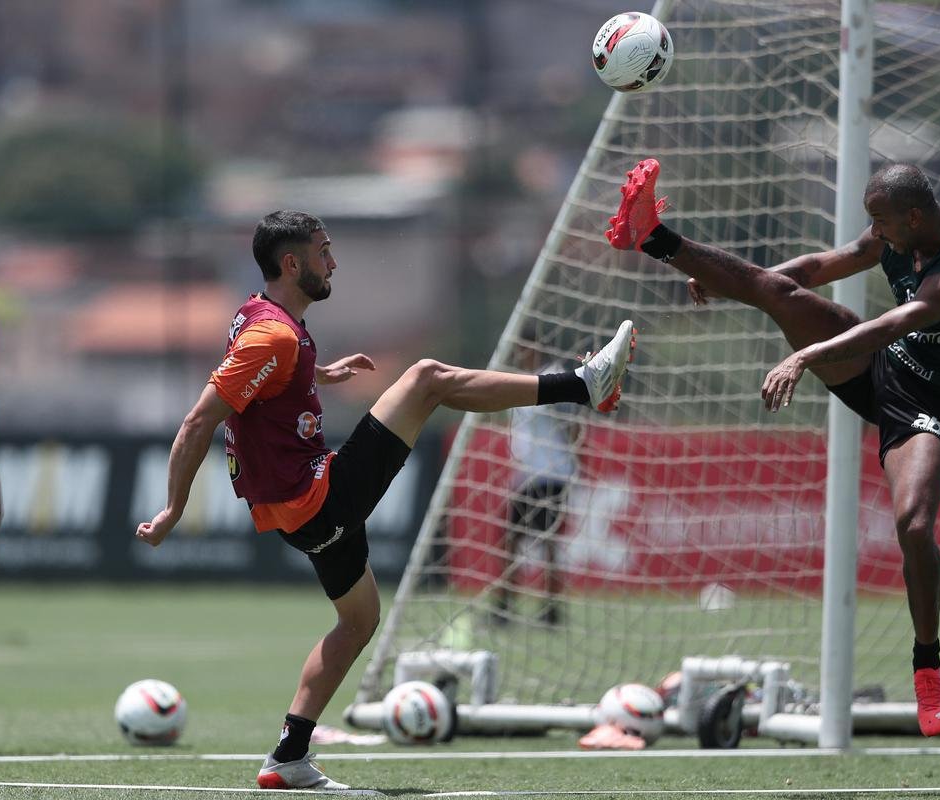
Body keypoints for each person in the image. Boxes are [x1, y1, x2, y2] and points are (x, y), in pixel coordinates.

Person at [135, 210, 636, 791]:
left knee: (359, 620)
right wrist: (173, 509)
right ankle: (582, 384)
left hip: (301, 512)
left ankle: (289, 755)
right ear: (292, 263)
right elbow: (198, 421)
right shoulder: (269, 334)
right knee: (427, 379)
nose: (334, 261)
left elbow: (264, 377)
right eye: (324, 251)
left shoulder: (261, 319)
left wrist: (315, 372)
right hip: (316, 498)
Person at [605, 159, 940, 737]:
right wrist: (740, 282)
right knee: (778, 291)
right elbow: (824, 265)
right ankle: (652, 237)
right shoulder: (896, 227)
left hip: (928, 403)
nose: (876, 232)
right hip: (880, 364)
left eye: (882, 222)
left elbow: (897, 323)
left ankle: (927, 665)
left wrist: (804, 357)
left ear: (914, 216)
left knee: (915, 526)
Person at [491, 336, 581, 627]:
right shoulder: (518, 380)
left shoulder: (553, 377)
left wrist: (569, 456)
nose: (522, 354)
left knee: (548, 544)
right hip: (525, 477)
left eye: (527, 348)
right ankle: (504, 608)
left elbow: (574, 426)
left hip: (551, 475)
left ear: (537, 349)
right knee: (510, 541)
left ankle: (552, 611)